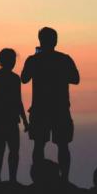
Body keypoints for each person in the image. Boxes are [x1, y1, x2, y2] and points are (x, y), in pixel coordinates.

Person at [21, 27, 80, 183]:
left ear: (40, 40)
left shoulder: (33, 60)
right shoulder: (64, 59)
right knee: (63, 145)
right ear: (55, 41)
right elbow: (75, 79)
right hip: (60, 108)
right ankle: (65, 179)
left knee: (39, 144)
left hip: (40, 109)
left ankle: (38, 179)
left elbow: (24, 78)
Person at [0, 48, 28, 183]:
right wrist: (25, 121)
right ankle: (5, 179)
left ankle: (6, 179)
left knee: (5, 150)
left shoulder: (4, 77)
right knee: (5, 151)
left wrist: (25, 121)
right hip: (3, 120)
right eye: (11, 59)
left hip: (6, 120)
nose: (13, 62)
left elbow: (18, 101)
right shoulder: (7, 78)